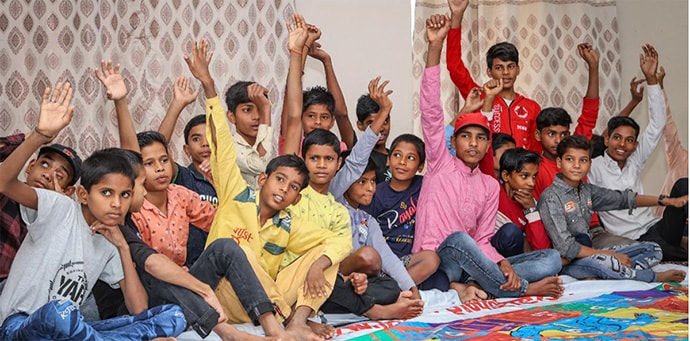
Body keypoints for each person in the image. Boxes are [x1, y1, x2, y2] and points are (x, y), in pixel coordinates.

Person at [186, 26, 348, 340]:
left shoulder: (288, 221)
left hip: (267, 301)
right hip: (228, 297)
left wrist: (320, 263)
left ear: (297, 198)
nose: (283, 189)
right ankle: (285, 321)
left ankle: (298, 320)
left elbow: (340, 241)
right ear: (263, 179)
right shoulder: (236, 193)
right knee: (238, 251)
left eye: (292, 188)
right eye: (279, 180)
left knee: (325, 255)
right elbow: (220, 144)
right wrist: (208, 85)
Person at [0, 83, 185, 340]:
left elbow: (139, 307)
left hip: (68, 330)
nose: (116, 204)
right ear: (84, 195)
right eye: (107, 193)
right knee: (60, 313)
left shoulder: (109, 241)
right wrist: (40, 135)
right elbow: (4, 182)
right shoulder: (61, 208)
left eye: (125, 195)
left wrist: (122, 247)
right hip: (19, 326)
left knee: (172, 316)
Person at [413, 15, 563, 300]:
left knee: (551, 259)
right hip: (439, 261)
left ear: (487, 146)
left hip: (473, 265)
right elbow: (431, 111)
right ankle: (522, 290)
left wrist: (503, 262)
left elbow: (482, 240)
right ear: (453, 142)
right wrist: (435, 46)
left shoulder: (489, 185)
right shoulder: (440, 163)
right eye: (466, 136)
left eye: (481, 138)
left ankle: (483, 284)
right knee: (458, 239)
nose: (473, 143)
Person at [538, 135, 687, 282]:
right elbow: (566, 248)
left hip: (589, 252)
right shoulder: (551, 197)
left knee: (653, 249)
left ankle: (617, 271)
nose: (577, 166)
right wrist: (609, 255)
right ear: (559, 162)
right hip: (565, 262)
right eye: (570, 159)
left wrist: (667, 201)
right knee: (607, 263)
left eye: (583, 160)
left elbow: (623, 199)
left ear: (589, 164)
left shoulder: (586, 190)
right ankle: (651, 277)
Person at [587, 46, 687, 260]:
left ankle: (678, 248)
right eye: (617, 138)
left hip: (657, 227)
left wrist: (651, 80)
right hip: (635, 239)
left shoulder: (635, 160)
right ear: (607, 139)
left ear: (634, 145)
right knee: (668, 251)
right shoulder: (593, 167)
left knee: (684, 185)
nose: (622, 144)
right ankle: (677, 251)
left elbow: (658, 124)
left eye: (629, 140)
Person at [445, 0, 541, 149]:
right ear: (489, 72)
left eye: (510, 66)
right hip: (485, 169)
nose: (506, 72)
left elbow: (536, 149)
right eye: (499, 67)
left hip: (520, 170)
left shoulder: (532, 107)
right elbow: (454, 66)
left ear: (518, 69)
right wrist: (456, 17)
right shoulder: (478, 97)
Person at [0, 133, 82, 293]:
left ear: (67, 191)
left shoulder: (65, 222)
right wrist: (33, 136)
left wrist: (55, 211)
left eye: (59, 175)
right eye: (44, 165)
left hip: (21, 295)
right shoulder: (4, 191)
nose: (48, 175)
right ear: (31, 167)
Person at [360, 134, 441, 286]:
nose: (402, 162)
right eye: (397, 155)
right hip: (381, 261)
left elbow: (442, 159)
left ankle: (391, 289)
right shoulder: (377, 192)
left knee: (432, 260)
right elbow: (363, 230)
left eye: (410, 158)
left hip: (407, 260)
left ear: (421, 166)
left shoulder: (424, 185)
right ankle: (388, 288)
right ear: (388, 160)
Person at [279, 19, 354, 156]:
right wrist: (303, 47)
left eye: (324, 117)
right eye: (311, 116)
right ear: (301, 117)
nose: (317, 122)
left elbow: (342, 114)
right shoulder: (294, 142)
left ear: (332, 121)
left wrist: (326, 61)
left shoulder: (339, 148)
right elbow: (292, 107)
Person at [492, 148, 551, 258]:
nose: (531, 183)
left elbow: (542, 250)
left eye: (534, 176)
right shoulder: (495, 189)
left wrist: (531, 210)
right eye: (524, 176)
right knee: (511, 231)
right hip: (487, 256)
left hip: (512, 263)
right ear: (506, 176)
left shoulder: (527, 206)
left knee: (552, 258)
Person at [355, 92, 392, 183]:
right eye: (371, 123)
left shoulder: (396, 157)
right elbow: (341, 114)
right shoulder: (360, 155)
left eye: (385, 121)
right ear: (360, 125)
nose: (380, 128)